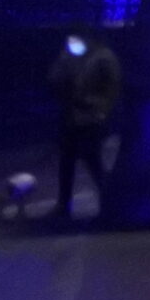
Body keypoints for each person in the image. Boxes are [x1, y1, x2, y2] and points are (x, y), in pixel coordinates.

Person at [47, 29, 121, 225]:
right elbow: (56, 80)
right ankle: (64, 205)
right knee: (68, 161)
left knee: (92, 161)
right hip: (74, 115)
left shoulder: (103, 58)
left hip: (90, 117)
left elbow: (110, 89)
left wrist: (99, 108)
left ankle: (109, 204)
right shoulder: (78, 57)